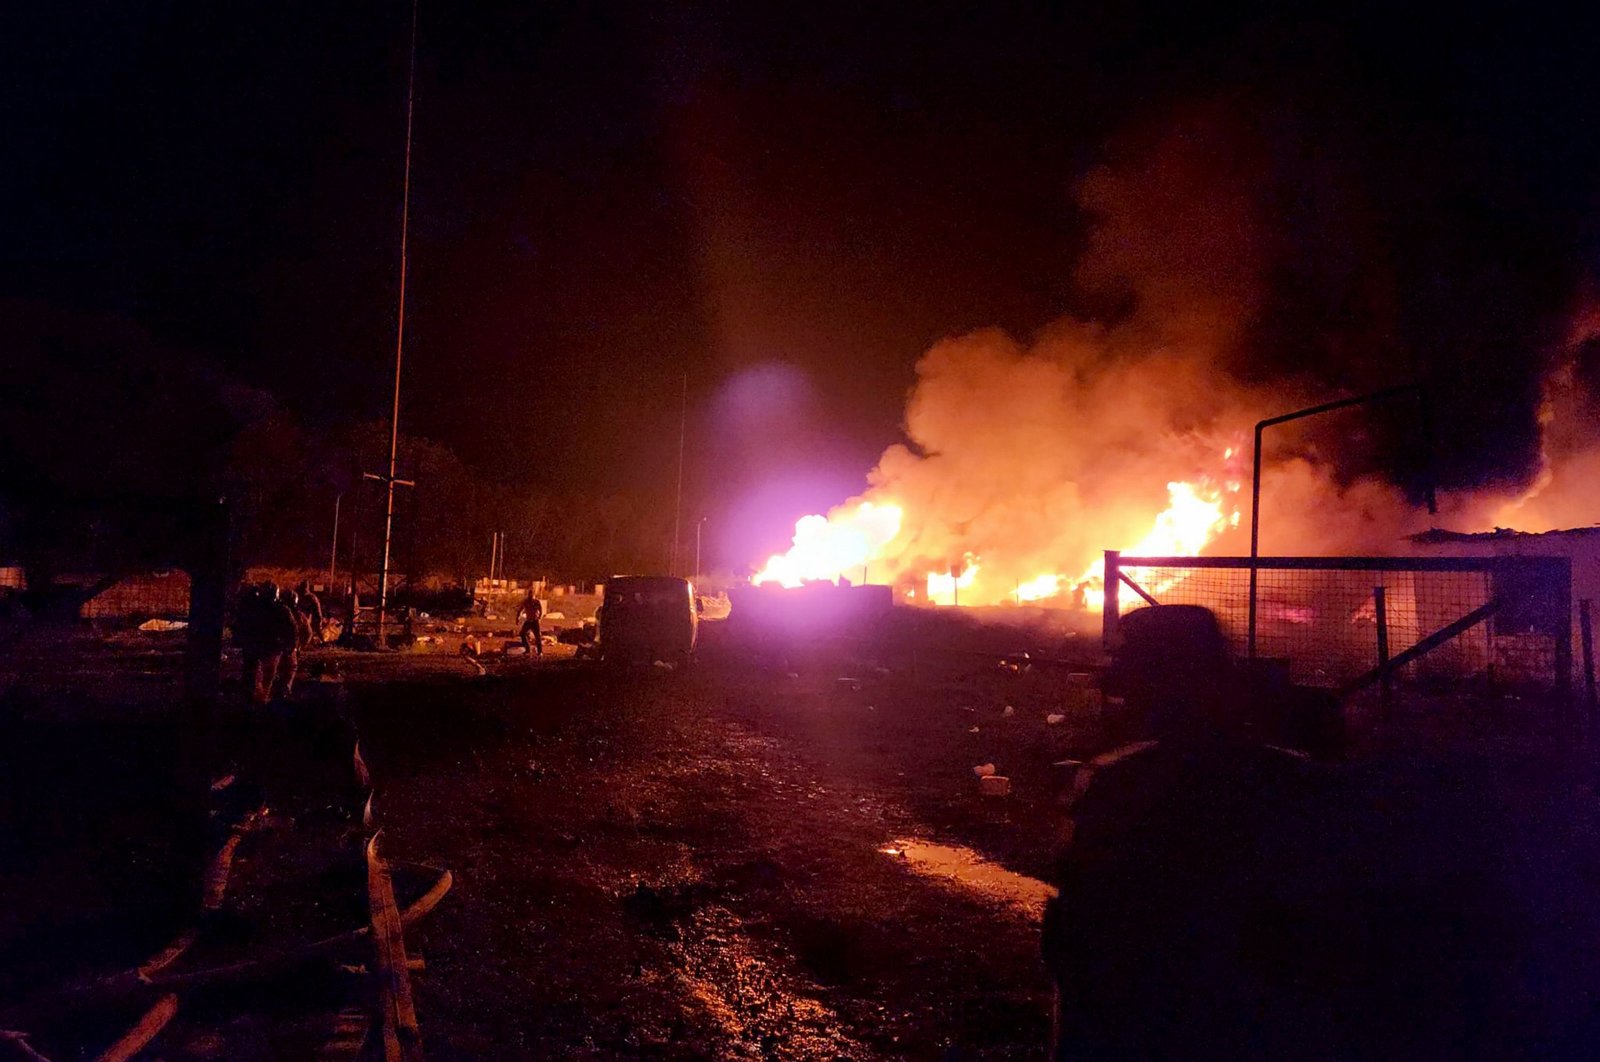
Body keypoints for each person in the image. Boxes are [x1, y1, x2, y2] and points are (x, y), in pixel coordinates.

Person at [1042, 605, 1334, 1058]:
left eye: (1126, 662)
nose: (1111, 680)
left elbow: (1080, 932)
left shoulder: (1120, 785)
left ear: (1162, 676)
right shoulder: (1293, 780)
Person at [296, 581, 324, 645]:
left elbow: (314, 611)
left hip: (314, 616)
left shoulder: (311, 597)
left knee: (315, 629)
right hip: (309, 615)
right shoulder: (304, 596)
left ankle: (322, 641)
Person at [519, 588, 543, 656]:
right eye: (530, 594)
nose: (531, 596)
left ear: (534, 595)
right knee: (522, 633)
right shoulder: (526, 601)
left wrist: (539, 617)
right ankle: (527, 649)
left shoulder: (536, 602)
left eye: (532, 594)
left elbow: (540, 610)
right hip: (528, 621)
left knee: (537, 636)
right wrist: (517, 618)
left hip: (535, 621)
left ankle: (540, 651)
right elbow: (520, 609)